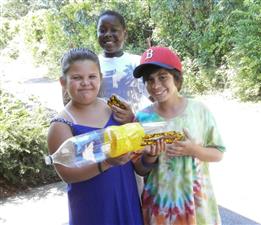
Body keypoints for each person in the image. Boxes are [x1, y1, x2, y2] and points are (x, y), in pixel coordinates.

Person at [47, 48, 144, 225]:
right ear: (63, 81)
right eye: (77, 78)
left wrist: (132, 120)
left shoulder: (116, 108)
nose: (85, 83)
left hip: (125, 196)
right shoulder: (61, 124)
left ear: (100, 78)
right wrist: (107, 162)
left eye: (92, 76)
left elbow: (137, 143)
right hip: (92, 207)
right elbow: (67, 174)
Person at [132, 46, 226, 225]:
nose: (156, 85)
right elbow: (139, 169)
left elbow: (218, 153)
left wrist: (194, 149)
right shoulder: (142, 118)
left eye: (162, 77)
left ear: (176, 78)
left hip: (196, 204)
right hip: (160, 206)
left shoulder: (199, 111)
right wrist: (150, 157)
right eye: (149, 80)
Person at [96, 9, 151, 197]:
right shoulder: (92, 63)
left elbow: (152, 99)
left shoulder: (136, 62)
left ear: (125, 33)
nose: (108, 35)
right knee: (105, 187)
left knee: (133, 188)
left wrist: (133, 118)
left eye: (114, 30)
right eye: (102, 30)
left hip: (133, 133)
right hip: (101, 136)